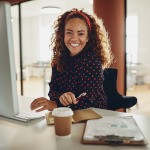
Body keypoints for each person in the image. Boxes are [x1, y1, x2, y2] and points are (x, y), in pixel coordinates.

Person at [30, 8, 113, 112]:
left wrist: (56, 104)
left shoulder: (93, 61)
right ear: (62, 35)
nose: (74, 38)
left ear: (88, 37)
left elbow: (89, 99)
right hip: (68, 114)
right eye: (69, 32)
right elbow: (53, 90)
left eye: (80, 33)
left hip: (94, 114)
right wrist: (61, 96)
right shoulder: (59, 60)